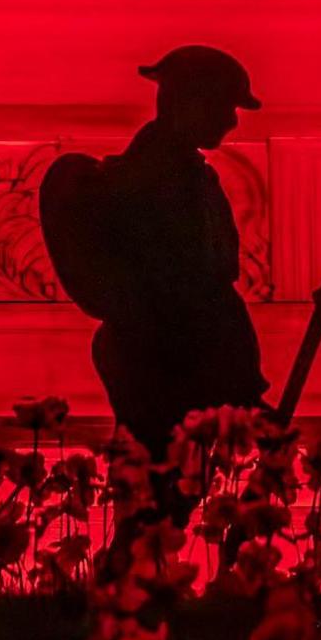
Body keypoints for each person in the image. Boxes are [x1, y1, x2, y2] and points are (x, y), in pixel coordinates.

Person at [39, 46, 267, 460]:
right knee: (159, 489)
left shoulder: (187, 176)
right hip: (161, 364)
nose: (232, 120)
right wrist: (240, 386)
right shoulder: (152, 183)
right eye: (225, 106)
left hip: (181, 359)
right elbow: (193, 293)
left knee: (173, 492)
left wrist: (245, 387)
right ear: (191, 102)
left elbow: (214, 290)